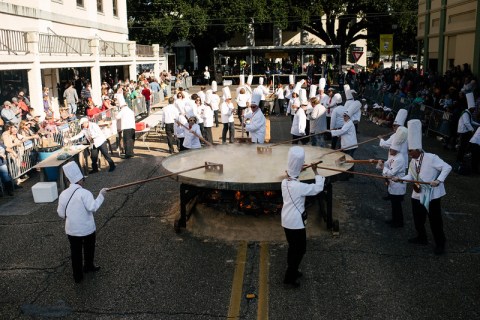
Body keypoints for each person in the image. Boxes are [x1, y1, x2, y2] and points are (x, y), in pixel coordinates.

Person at [395, 119, 452, 255]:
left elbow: (447, 167)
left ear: (417, 149)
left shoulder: (431, 157)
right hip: (417, 193)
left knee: (435, 221)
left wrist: (438, 180)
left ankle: (440, 244)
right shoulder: (413, 162)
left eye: (410, 151)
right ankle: (421, 237)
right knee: (418, 218)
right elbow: (410, 176)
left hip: (431, 195)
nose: (409, 154)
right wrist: (399, 179)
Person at [281, 146, 325, 288]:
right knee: (300, 250)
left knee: (292, 247)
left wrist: (299, 167)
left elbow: (293, 173)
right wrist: (316, 172)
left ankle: (293, 269)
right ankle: (290, 277)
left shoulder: (284, 182)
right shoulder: (299, 187)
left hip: (286, 220)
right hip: (296, 223)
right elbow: (318, 188)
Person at [57, 162, 107, 283]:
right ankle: (89, 266)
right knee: (89, 248)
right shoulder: (85, 193)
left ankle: (77, 276)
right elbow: (93, 207)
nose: (83, 181)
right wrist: (101, 195)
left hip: (72, 229)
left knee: (75, 252)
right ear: (79, 180)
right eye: (83, 179)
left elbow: (60, 213)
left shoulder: (63, 194)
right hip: (86, 228)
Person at [376, 127, 408, 227]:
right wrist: (381, 163)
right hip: (393, 185)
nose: (390, 151)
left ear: (396, 149)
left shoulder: (399, 159)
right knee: (394, 205)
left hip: (398, 186)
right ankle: (395, 220)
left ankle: (399, 222)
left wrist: (382, 168)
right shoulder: (394, 156)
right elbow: (387, 164)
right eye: (390, 149)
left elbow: (390, 173)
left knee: (397, 205)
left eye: (391, 150)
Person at [456, 92, 479, 163]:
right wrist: (472, 130)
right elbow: (466, 123)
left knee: (463, 146)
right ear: (470, 108)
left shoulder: (468, 113)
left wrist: (478, 124)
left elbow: (471, 121)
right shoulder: (466, 113)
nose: (474, 110)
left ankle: (461, 158)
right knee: (462, 146)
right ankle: (459, 159)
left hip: (466, 132)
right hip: (464, 132)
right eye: (473, 109)